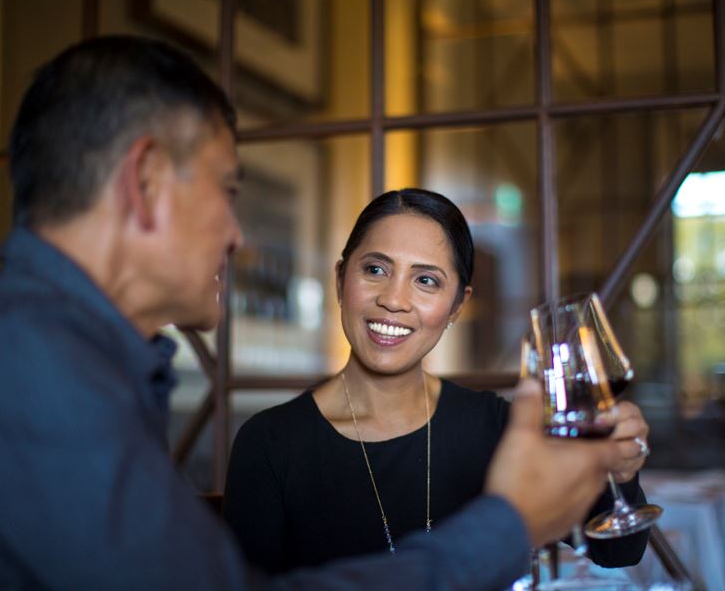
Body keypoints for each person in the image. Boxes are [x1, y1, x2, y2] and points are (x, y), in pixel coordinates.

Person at [0, 34, 627, 590]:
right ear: (146, 181)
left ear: (458, 304)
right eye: (227, 190)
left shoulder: (58, 353)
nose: (236, 234)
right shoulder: (28, 364)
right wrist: (508, 527)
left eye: (427, 281)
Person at [223, 189, 652, 574]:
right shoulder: (270, 443)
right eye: (375, 269)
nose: (394, 300)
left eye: (426, 280)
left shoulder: (499, 428)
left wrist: (621, 471)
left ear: (456, 307)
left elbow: (618, 550)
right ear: (340, 280)